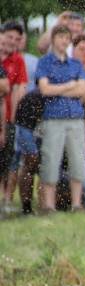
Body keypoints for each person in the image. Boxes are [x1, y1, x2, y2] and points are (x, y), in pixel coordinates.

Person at [34, 24, 85, 212]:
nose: (64, 41)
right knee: (51, 159)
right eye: (61, 37)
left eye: (67, 38)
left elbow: (82, 89)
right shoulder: (45, 62)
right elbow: (44, 90)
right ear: (54, 39)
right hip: (53, 118)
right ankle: (49, 205)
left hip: (75, 118)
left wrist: (58, 88)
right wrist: (68, 86)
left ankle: (76, 203)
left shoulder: (76, 64)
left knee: (78, 159)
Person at [1, 22, 29, 213]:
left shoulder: (17, 60)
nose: (12, 41)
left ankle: (6, 199)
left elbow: (19, 89)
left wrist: (12, 120)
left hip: (7, 117)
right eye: (9, 37)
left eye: (16, 39)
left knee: (7, 160)